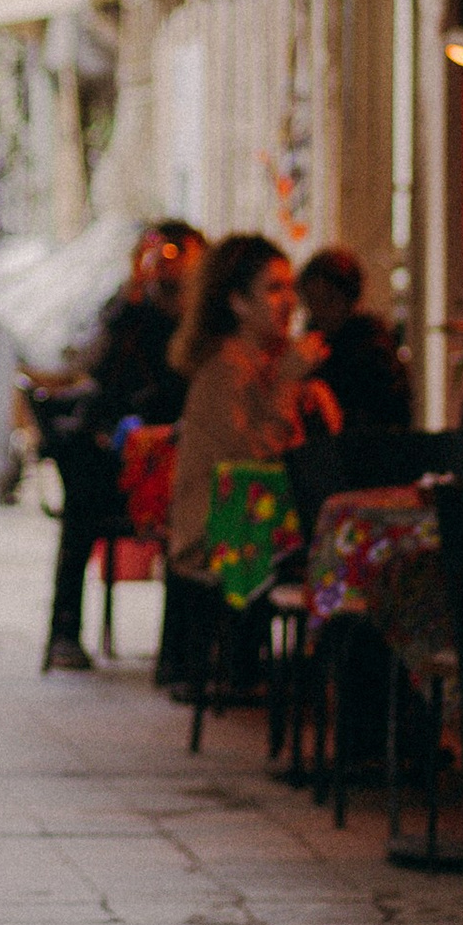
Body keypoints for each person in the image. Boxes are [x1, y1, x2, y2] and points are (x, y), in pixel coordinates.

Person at [31, 219, 199, 669]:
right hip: (119, 461)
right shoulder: (128, 312)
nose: (168, 268)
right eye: (160, 255)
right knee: (83, 493)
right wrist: (130, 299)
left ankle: (186, 654)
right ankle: (64, 631)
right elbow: (93, 368)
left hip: (185, 457)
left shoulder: (206, 322)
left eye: (178, 257)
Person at [165, 241, 327, 687]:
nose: (289, 301)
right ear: (238, 303)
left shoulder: (271, 361)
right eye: (274, 289)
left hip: (266, 525)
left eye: (290, 288)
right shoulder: (225, 370)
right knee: (338, 549)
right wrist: (289, 385)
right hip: (221, 533)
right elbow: (256, 460)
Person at [294, 247, 412, 435]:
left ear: (347, 298)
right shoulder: (310, 345)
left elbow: (389, 414)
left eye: (328, 300)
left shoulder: (372, 347)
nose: (318, 310)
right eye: (311, 301)